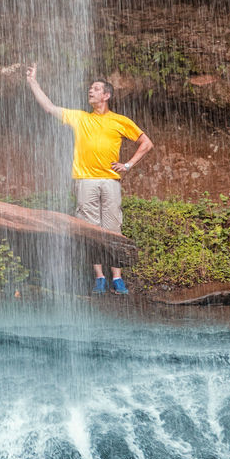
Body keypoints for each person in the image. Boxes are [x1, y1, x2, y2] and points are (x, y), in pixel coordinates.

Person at [26, 63, 153, 294]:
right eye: (90, 89)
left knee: (113, 227)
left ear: (106, 95)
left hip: (110, 180)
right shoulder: (80, 118)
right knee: (90, 229)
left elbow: (146, 143)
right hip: (85, 180)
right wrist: (33, 82)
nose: (90, 91)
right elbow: (49, 107)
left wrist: (128, 164)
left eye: (95, 89)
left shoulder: (120, 121)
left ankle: (117, 278)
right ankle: (100, 277)